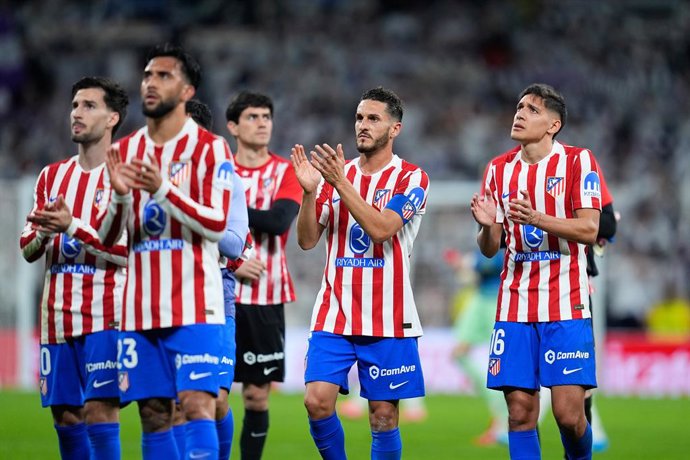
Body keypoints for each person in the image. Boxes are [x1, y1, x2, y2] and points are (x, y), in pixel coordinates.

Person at [100, 44, 234, 459]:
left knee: (197, 405)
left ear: (188, 91)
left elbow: (216, 223)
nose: (150, 83)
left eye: (163, 76)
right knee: (154, 414)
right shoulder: (125, 150)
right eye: (147, 75)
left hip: (196, 305)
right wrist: (120, 199)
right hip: (140, 309)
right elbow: (108, 238)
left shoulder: (211, 149)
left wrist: (162, 188)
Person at [292, 86, 430, 460]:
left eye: (373, 119)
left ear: (395, 129)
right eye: (359, 118)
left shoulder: (411, 179)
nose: (363, 126)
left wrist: (339, 184)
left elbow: (383, 229)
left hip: (389, 316)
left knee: (383, 416)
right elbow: (306, 240)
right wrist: (309, 194)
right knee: (316, 402)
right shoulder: (334, 176)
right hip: (334, 313)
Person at [470, 83, 601, 460]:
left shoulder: (578, 162)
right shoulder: (497, 169)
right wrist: (485, 226)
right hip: (514, 308)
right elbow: (490, 248)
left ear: (553, 125)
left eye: (531, 109)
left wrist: (538, 218)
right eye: (518, 106)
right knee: (520, 414)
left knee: (568, 415)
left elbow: (589, 229)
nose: (520, 113)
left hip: (566, 306)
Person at [20, 76, 128, 459]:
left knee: (100, 411)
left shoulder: (124, 177)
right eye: (74, 105)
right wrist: (46, 234)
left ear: (113, 118)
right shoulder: (52, 176)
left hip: (106, 315)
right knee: (66, 418)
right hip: (56, 319)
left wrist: (71, 226)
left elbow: (127, 250)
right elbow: (27, 247)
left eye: (88, 106)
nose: (76, 114)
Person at [166, 99, 249, 460]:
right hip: (164, 295)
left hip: (213, 294)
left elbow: (234, 243)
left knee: (214, 401)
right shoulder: (154, 177)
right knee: (170, 406)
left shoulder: (227, 179)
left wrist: (186, 210)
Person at [224, 91, 302, 459]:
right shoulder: (219, 169)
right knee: (213, 395)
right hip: (217, 293)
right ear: (233, 126)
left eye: (266, 117)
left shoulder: (285, 170)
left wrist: (223, 211)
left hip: (265, 297)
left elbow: (278, 221)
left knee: (256, 396)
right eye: (252, 117)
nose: (261, 123)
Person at [451, 249, 509, 446]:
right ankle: (496, 408)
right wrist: (464, 267)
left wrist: (470, 264)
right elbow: (474, 271)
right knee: (458, 354)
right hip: (479, 298)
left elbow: (493, 264)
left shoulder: (510, 230)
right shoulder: (485, 231)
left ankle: (500, 422)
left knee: (501, 365)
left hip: (501, 301)